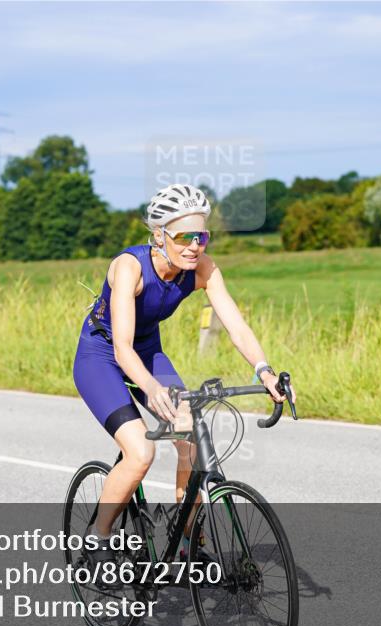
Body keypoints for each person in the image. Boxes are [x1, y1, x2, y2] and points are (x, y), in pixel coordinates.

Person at [72, 183, 291, 567]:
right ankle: (97, 539)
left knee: (190, 436)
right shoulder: (130, 267)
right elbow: (122, 347)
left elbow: (235, 324)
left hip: (147, 353)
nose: (195, 246)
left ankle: (189, 540)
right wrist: (152, 388)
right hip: (101, 356)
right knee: (141, 451)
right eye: (184, 237)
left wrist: (264, 371)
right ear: (159, 235)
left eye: (202, 236)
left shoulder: (202, 269)